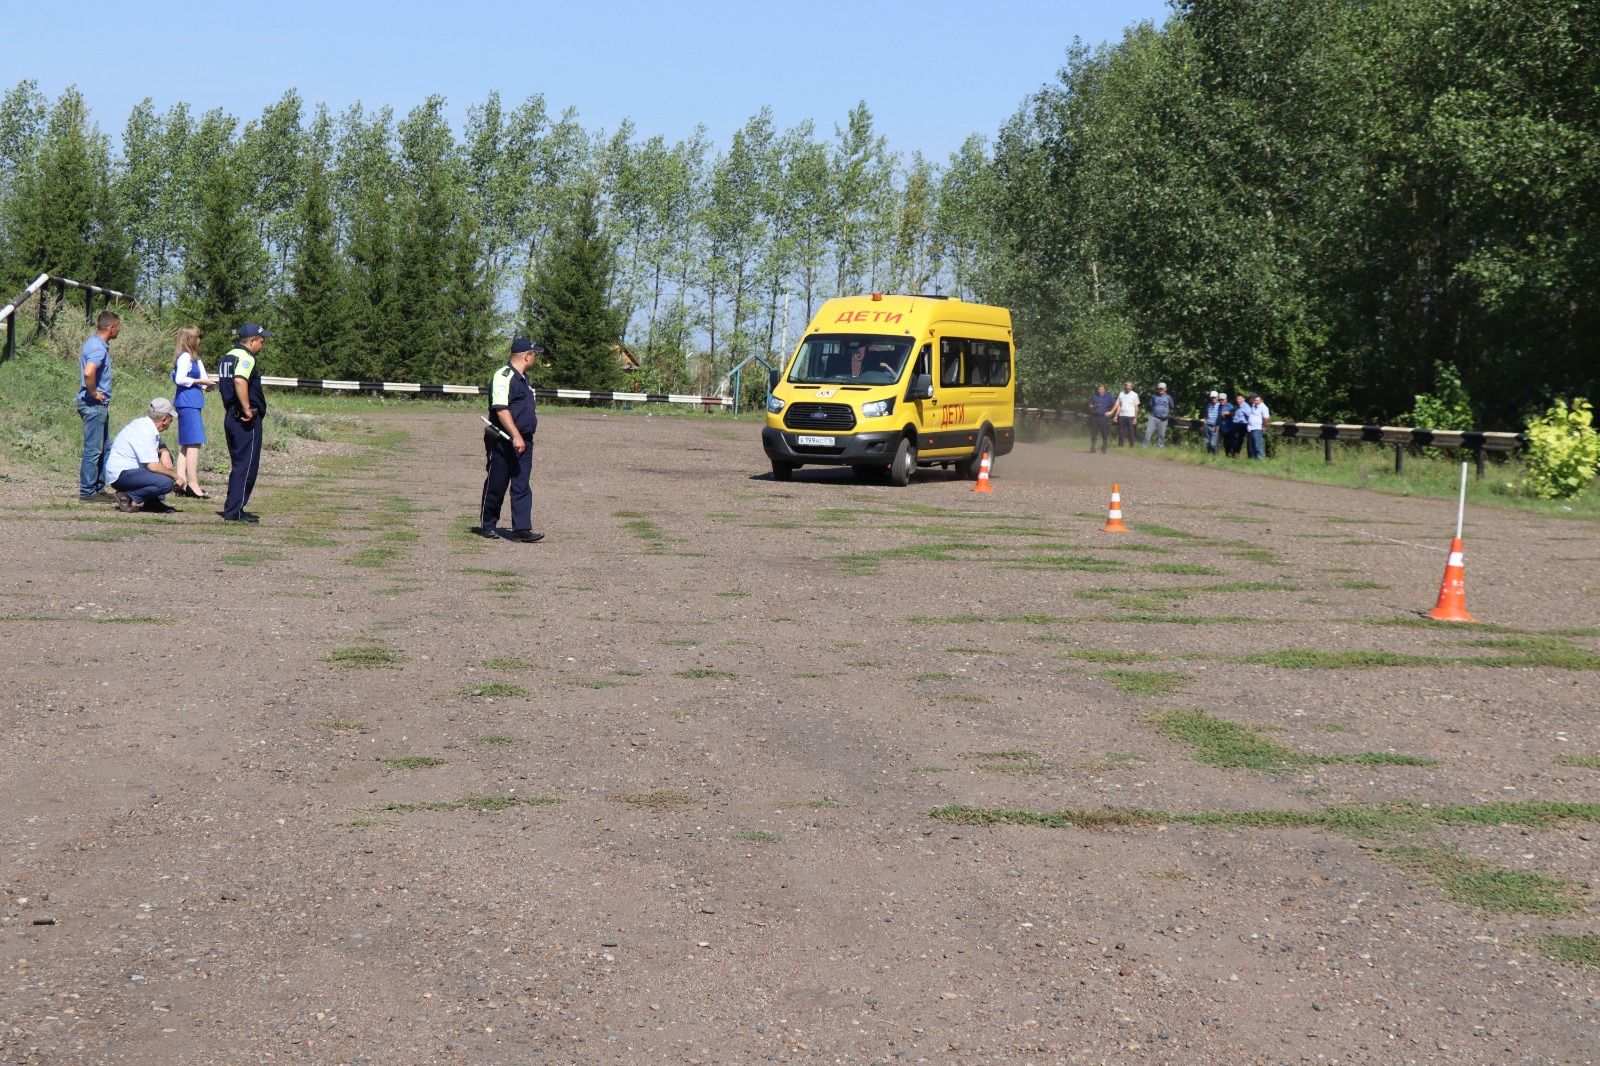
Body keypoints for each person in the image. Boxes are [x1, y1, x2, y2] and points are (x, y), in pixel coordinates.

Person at [475, 336, 545, 543]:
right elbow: (501, 409)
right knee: (497, 482)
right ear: (527, 355)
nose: (535, 359)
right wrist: (515, 435)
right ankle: (488, 525)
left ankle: (522, 528)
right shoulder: (503, 376)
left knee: (522, 483)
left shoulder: (523, 380)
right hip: (503, 439)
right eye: (535, 355)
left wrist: (523, 437)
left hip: (524, 440)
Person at [217, 323, 270, 523]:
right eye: (261, 342)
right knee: (246, 466)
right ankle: (234, 511)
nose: (262, 346)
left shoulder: (227, 357)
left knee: (239, 464)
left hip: (231, 415)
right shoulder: (246, 358)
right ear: (252, 341)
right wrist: (247, 408)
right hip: (244, 418)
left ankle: (234, 507)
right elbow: (240, 381)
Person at [105, 398, 182, 514]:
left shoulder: (145, 424)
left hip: (130, 472)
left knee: (166, 459)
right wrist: (177, 477)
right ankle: (125, 496)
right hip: (122, 475)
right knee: (167, 482)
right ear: (164, 419)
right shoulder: (145, 431)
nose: (171, 422)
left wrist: (165, 452)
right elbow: (153, 467)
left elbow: (160, 443)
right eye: (171, 419)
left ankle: (152, 502)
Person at [76, 310, 121, 501]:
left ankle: (99, 487)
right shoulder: (98, 348)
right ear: (111, 328)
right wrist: (94, 392)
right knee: (94, 449)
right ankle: (88, 491)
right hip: (94, 404)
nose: (119, 331)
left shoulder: (96, 343)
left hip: (98, 405)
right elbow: (89, 372)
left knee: (104, 447)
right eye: (118, 327)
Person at [170, 324, 215, 499]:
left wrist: (206, 385)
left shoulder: (195, 359)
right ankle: (193, 484)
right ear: (190, 339)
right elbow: (180, 379)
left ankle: (180, 481)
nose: (200, 339)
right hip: (187, 402)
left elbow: (201, 380)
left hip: (192, 402)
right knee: (194, 442)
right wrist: (199, 381)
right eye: (198, 336)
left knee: (186, 444)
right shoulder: (185, 358)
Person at [1143, 381, 1174, 448]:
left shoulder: (1168, 397)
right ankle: (1144, 447)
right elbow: (1151, 405)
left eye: (1162, 389)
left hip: (1164, 418)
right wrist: (1154, 410)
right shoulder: (1154, 396)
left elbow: (1171, 406)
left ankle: (1161, 447)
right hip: (1154, 417)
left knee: (1161, 434)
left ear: (1165, 389)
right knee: (1148, 432)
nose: (1160, 390)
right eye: (1159, 388)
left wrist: (1167, 414)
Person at [1086, 384, 1115, 453]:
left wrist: (1111, 412)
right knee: (1093, 434)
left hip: (1103, 417)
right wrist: (1094, 406)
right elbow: (1090, 405)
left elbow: (1116, 403)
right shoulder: (1094, 396)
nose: (1100, 391)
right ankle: (1092, 448)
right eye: (1099, 389)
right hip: (1094, 417)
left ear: (1104, 389)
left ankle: (1104, 449)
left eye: (1101, 389)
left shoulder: (1108, 397)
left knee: (1104, 433)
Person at [1246, 393, 1272, 459]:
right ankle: (1254, 458)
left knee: (1258, 445)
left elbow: (1266, 418)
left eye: (1257, 400)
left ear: (1261, 400)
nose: (1255, 401)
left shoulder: (1264, 407)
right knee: (1252, 445)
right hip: (1251, 428)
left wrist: (1264, 426)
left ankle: (1261, 458)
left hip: (1258, 428)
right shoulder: (1253, 406)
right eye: (1254, 400)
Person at [1114, 381, 1139, 447]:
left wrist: (1135, 418)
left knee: (1131, 432)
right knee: (1120, 431)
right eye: (1127, 386)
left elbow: (1136, 407)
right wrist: (1116, 416)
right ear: (1125, 386)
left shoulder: (1135, 394)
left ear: (1132, 387)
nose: (1128, 387)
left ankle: (1131, 445)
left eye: (1129, 386)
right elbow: (1119, 405)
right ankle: (1120, 445)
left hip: (1131, 416)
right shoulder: (1121, 393)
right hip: (1122, 415)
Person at [1227, 393, 1250, 458]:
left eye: (1239, 399)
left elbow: (1249, 417)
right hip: (1235, 425)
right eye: (1237, 399)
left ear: (1244, 399)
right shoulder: (1237, 407)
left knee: (1238, 440)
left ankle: (1236, 454)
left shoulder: (1246, 407)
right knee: (1233, 440)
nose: (1238, 400)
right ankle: (1233, 454)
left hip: (1242, 425)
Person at [1215, 392, 1237, 457]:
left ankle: (1233, 456)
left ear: (1226, 399)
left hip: (1230, 428)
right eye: (1219, 400)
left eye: (1222, 400)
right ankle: (1227, 456)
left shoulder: (1229, 406)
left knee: (1230, 443)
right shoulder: (1219, 406)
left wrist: (1226, 413)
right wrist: (1216, 425)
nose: (1221, 401)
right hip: (1223, 428)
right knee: (1225, 444)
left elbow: (1234, 413)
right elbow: (1219, 416)